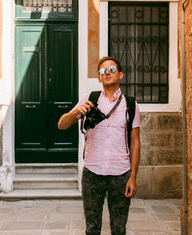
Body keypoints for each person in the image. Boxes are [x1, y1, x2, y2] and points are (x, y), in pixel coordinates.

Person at [58, 56, 141, 235]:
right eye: (103, 71)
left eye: (112, 70)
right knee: (92, 229)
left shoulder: (131, 104)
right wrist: (75, 113)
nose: (107, 73)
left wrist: (133, 176)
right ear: (99, 78)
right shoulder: (90, 99)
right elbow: (62, 124)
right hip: (92, 173)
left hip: (120, 174)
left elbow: (135, 141)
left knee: (119, 229)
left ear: (121, 75)